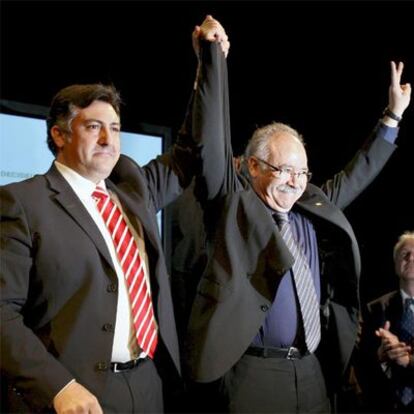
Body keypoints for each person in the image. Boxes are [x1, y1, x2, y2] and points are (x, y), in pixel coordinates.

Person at [0, 17, 230, 414]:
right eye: (94, 127)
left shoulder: (133, 190)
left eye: (116, 128)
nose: (109, 140)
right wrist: (58, 387)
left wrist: (209, 66)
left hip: (147, 384)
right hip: (74, 396)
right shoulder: (23, 202)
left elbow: (191, 148)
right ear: (59, 134)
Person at [183, 17, 412, 413]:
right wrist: (212, 60)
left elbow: (358, 173)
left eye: (302, 172)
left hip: (313, 372)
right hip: (253, 376)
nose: (294, 182)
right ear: (253, 167)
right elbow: (211, 141)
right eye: (283, 170)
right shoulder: (232, 204)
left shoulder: (309, 204)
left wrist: (391, 117)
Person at [356, 231, 414, 413]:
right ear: (396, 264)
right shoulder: (374, 309)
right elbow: (359, 360)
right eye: (405, 254)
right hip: (385, 404)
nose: (411, 258)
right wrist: (380, 355)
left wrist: (408, 360)